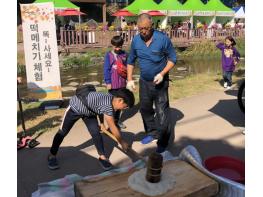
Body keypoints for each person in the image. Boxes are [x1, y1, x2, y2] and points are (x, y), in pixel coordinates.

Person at [47, 88, 135, 170]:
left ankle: (102, 157)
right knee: (62, 132)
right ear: (120, 100)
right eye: (125, 106)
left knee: (96, 132)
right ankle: (52, 155)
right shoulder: (108, 105)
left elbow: (99, 109)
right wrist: (122, 143)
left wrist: (101, 123)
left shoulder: (111, 100)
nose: (124, 109)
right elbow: (112, 127)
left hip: (89, 112)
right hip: (75, 107)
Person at [126, 13, 177, 153]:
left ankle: (163, 141)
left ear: (152, 26)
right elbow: (131, 60)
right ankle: (152, 133)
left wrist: (162, 74)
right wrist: (129, 79)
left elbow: (173, 58)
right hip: (144, 82)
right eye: (140, 28)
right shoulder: (136, 40)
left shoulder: (162, 39)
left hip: (160, 82)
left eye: (146, 28)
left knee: (162, 112)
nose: (143, 31)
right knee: (145, 109)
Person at [103, 35, 127, 129]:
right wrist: (108, 82)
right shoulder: (108, 55)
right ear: (112, 45)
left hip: (122, 83)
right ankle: (110, 123)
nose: (117, 48)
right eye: (115, 46)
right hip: (112, 84)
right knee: (111, 104)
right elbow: (106, 69)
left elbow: (127, 67)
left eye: (120, 46)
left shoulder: (124, 54)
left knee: (120, 103)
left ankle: (117, 121)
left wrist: (128, 79)